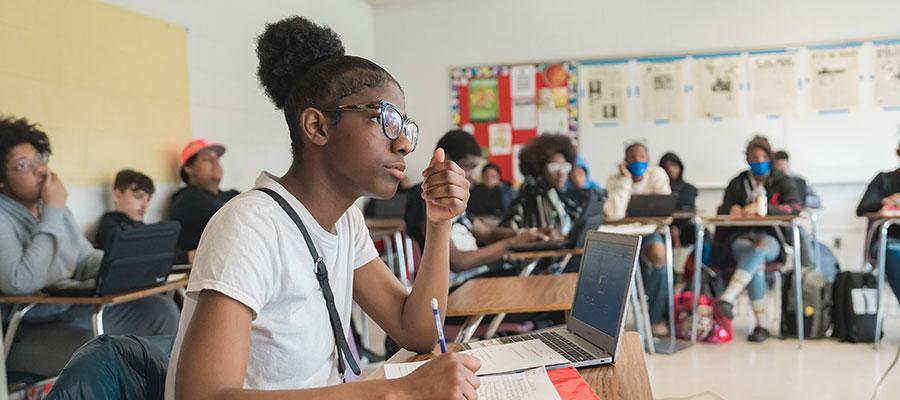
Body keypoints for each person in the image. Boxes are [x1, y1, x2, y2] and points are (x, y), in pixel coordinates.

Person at [166, 16, 481, 399]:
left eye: (405, 127)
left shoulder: (344, 220)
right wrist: (397, 392)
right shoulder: (251, 227)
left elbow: (415, 330)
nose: (403, 145)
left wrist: (439, 223)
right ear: (317, 127)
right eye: (384, 120)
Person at [0, 116, 179, 379]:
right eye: (23, 165)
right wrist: (53, 211)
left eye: (40, 159)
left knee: (160, 310)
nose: (40, 171)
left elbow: (83, 259)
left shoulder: (52, 208)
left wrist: (122, 264)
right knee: (99, 345)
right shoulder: (28, 213)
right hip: (29, 331)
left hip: (74, 312)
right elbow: (21, 281)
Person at [406, 131, 551, 288]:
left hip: (478, 279)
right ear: (446, 159)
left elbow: (488, 234)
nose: (471, 175)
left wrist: (529, 233)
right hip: (455, 289)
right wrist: (512, 243)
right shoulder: (424, 197)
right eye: (467, 166)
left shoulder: (454, 199)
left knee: (545, 278)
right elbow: (458, 262)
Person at [714, 135, 802, 343]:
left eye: (763, 157)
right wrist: (732, 209)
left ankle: (727, 297)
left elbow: (795, 208)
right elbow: (725, 207)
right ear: (747, 159)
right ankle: (762, 326)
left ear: (770, 158)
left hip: (771, 238)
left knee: (760, 248)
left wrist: (764, 209)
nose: (759, 161)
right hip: (740, 238)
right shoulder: (738, 182)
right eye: (754, 157)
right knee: (757, 265)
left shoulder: (782, 181)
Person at [603, 142, 672, 335]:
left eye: (642, 156)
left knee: (659, 256)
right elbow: (614, 214)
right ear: (625, 162)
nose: (637, 161)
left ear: (648, 159)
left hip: (649, 234)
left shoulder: (656, 175)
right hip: (621, 236)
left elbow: (665, 212)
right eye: (632, 157)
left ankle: (656, 316)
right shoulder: (614, 179)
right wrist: (626, 182)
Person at [95, 169, 193, 264]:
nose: (145, 205)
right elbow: (140, 256)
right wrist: (185, 257)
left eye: (148, 199)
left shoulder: (139, 227)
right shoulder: (111, 226)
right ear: (117, 195)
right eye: (138, 196)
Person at [502, 134, 586, 235]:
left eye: (565, 167)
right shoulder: (532, 195)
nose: (561, 173)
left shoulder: (559, 194)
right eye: (554, 167)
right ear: (540, 169)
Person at [168, 138, 240, 253]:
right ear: (189, 169)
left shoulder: (230, 195)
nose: (215, 163)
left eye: (217, 158)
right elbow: (236, 222)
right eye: (207, 159)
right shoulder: (188, 199)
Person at [856, 141, 900, 305]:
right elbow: (862, 208)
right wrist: (885, 202)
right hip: (888, 241)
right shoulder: (884, 179)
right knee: (894, 252)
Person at [660, 152, 698, 247]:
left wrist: (677, 228)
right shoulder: (658, 188)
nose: (670, 169)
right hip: (663, 226)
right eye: (666, 166)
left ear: (680, 166)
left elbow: (689, 211)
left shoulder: (689, 188)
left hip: (684, 227)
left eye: (673, 165)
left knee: (702, 233)